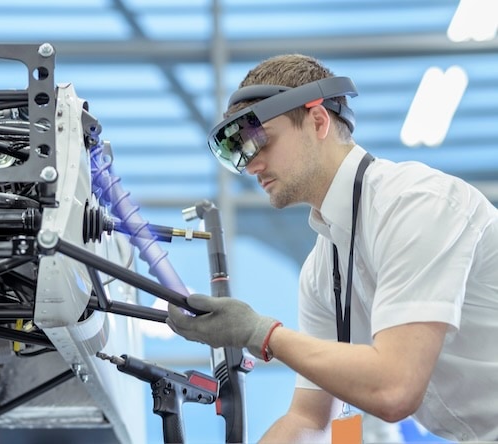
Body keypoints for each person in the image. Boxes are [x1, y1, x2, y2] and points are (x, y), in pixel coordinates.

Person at [166, 54, 498, 442]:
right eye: (242, 155)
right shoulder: (323, 269)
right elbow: (308, 420)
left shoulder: (417, 204)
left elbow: (395, 387)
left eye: (262, 142)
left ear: (318, 121)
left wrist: (261, 333)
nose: (253, 166)